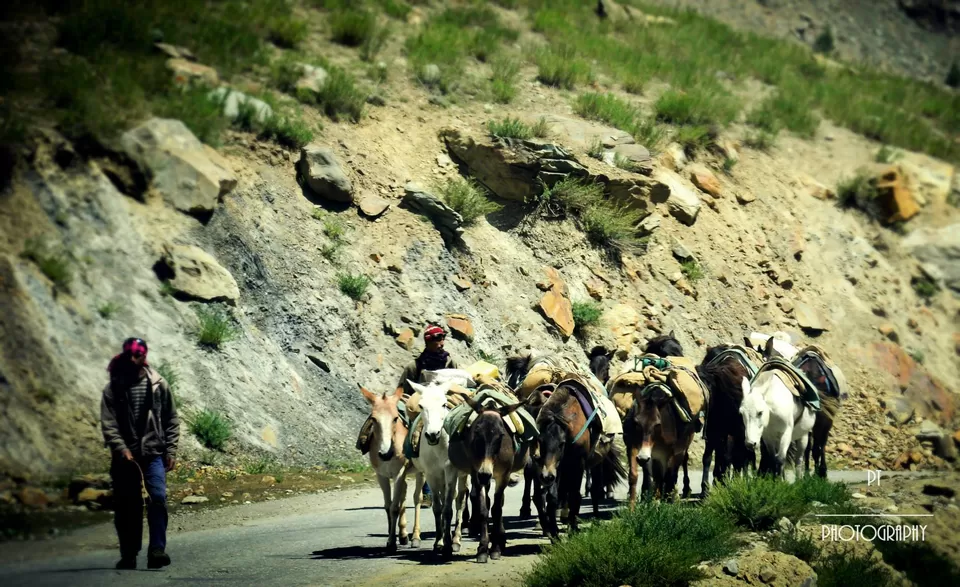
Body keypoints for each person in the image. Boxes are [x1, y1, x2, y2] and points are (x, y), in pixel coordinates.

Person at [101, 337, 180, 570]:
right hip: (125, 459)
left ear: (144, 357)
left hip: (153, 453)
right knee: (127, 506)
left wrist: (171, 449)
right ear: (126, 356)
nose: (135, 359)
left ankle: (157, 550)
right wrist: (121, 448)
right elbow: (109, 424)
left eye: (139, 355)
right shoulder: (114, 387)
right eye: (131, 355)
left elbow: (171, 418)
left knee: (158, 498)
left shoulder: (158, 385)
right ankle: (129, 554)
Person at [394, 325, 459, 396]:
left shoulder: (450, 363)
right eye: (438, 339)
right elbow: (401, 393)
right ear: (428, 342)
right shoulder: (414, 367)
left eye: (443, 339)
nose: (442, 343)